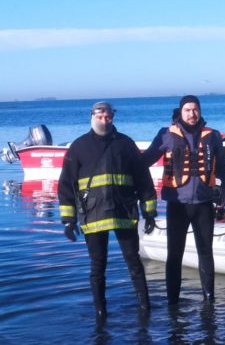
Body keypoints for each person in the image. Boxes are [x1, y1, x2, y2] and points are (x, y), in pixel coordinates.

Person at [58, 101, 158, 325]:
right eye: (100, 115)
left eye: (108, 116)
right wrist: (68, 220)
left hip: (124, 211)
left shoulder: (125, 144)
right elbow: (66, 184)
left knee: (134, 262)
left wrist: (149, 212)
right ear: (91, 116)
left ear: (113, 117)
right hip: (93, 215)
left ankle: (145, 309)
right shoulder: (79, 147)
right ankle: (100, 314)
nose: (105, 119)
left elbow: (143, 179)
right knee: (98, 265)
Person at [142, 95, 225, 304]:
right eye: (187, 110)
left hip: (203, 205)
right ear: (180, 112)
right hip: (178, 206)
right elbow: (145, 160)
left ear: (200, 111)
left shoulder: (212, 136)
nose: (192, 114)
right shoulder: (166, 135)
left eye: (195, 110)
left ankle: (209, 300)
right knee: (174, 254)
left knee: (205, 252)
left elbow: (224, 168)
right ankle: (172, 302)